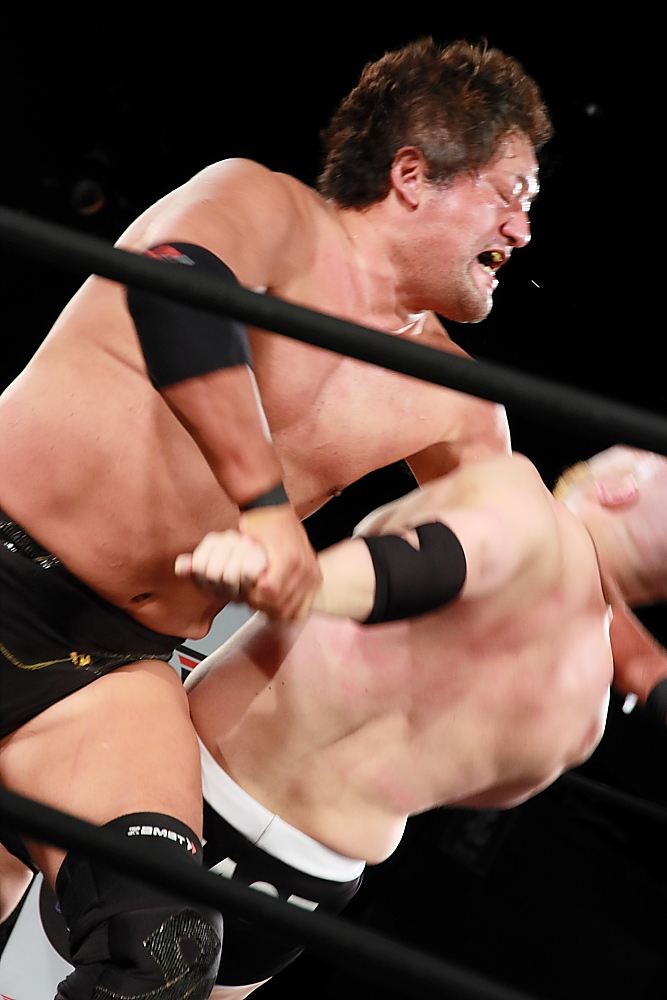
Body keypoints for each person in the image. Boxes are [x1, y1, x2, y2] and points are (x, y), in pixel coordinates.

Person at [0, 39, 551, 998]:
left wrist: (618, 638)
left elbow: (513, 546)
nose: (523, 229)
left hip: (105, 676)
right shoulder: (260, 206)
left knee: (166, 952)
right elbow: (176, 287)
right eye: (511, 193)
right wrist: (263, 508)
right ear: (412, 175)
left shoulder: (458, 401)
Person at [177, 446, 667, 997]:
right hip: (305, 880)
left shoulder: (521, 503)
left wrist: (290, 578)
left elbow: (420, 563)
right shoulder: (586, 721)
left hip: (196, 783)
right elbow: (478, 793)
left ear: (620, 490)